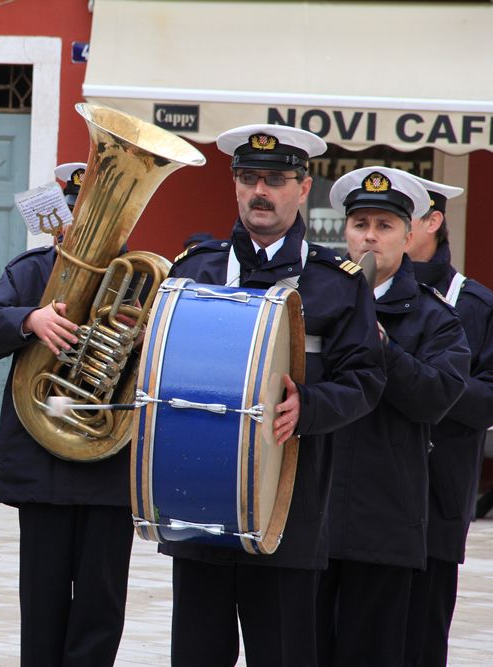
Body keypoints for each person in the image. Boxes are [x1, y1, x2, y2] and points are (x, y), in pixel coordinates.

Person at [160, 125, 387, 667]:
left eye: (277, 179)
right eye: (249, 178)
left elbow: (365, 380)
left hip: (290, 511)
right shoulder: (196, 270)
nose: (261, 191)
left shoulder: (337, 281)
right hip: (200, 510)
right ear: (235, 185)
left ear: (303, 188)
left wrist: (308, 406)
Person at [0, 160, 139, 667]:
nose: (78, 225)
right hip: (42, 462)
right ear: (58, 217)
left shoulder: (139, 276)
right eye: (72, 213)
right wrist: (29, 318)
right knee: (41, 605)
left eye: (92, 216)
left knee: (100, 607)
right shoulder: (31, 271)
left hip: (108, 466)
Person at [316, 167, 470, 667]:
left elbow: (437, 398)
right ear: (344, 232)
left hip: (383, 525)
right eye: (360, 223)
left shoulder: (436, 318)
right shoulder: (311, 302)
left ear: (409, 235)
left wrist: (379, 345)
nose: (370, 236)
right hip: (309, 521)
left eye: (384, 226)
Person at [402, 176, 493, 666]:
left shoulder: (475, 306)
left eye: (401, 216)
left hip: (436, 499)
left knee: (422, 640)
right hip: (365, 503)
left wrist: (423, 384)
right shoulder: (358, 290)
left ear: (433, 222)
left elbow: (488, 399)